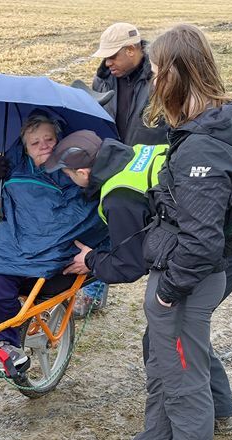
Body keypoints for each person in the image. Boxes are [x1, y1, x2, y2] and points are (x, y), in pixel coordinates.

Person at [100, 24, 232, 440]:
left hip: (187, 284)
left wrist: (167, 291)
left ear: (174, 74)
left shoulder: (201, 149)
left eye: (155, 70)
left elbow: (201, 240)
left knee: (183, 387)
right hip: (189, 278)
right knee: (167, 374)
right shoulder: (210, 124)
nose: (151, 81)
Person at [51, 131, 232, 435]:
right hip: (222, 242)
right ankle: (216, 413)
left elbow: (129, 266)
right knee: (182, 336)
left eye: (68, 174)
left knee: (169, 339)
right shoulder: (137, 152)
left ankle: (196, 420)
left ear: (83, 172)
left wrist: (91, 260)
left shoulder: (119, 195)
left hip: (211, 259)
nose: (68, 180)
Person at [0, 114, 107, 374]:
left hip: (37, 255)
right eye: (35, 142)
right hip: (6, 245)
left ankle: (8, 345)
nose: (44, 146)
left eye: (49, 139)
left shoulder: (73, 171)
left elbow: (84, 215)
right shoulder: (11, 165)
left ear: (59, 141)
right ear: (24, 147)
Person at [72, 22, 169, 316]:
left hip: (144, 167)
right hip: (109, 159)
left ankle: (155, 280)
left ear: (132, 50)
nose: (107, 62)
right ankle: (94, 287)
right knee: (101, 221)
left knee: (126, 226)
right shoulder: (104, 78)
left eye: (113, 56)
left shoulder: (159, 77)